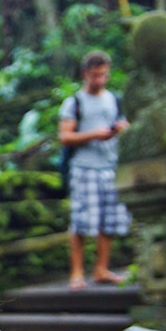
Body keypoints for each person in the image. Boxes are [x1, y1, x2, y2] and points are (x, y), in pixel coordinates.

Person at [58, 50, 131, 291]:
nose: (100, 80)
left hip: (110, 166)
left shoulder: (113, 99)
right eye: (95, 75)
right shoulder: (75, 102)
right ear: (85, 74)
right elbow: (64, 136)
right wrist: (93, 135)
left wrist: (121, 128)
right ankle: (77, 273)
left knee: (108, 220)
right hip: (84, 167)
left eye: (104, 75)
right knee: (81, 221)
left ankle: (101, 269)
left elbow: (122, 124)